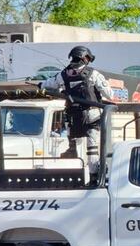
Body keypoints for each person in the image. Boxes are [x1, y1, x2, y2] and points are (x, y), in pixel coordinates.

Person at [40, 46, 114, 178]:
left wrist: (40, 85)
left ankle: (72, 151)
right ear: (85, 58)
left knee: (75, 142)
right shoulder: (93, 74)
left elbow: (48, 83)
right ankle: (94, 175)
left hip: (73, 117)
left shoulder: (63, 74)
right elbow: (109, 94)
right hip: (92, 115)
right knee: (92, 148)